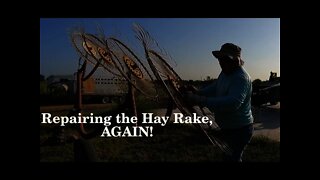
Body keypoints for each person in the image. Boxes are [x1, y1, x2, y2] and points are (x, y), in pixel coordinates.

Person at [184, 43, 254, 162]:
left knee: (232, 158)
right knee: (228, 157)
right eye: (220, 59)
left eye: (225, 59)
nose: (221, 62)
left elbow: (233, 103)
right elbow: (215, 87)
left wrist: (201, 100)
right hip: (228, 127)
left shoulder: (241, 78)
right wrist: (199, 92)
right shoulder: (225, 72)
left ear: (236, 61)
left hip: (240, 129)